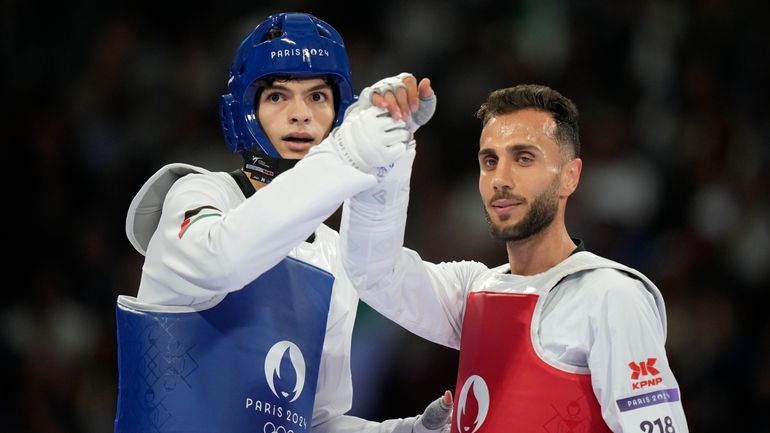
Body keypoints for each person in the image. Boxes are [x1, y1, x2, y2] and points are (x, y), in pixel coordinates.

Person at [113, 12, 452, 433]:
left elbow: (315, 420)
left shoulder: (334, 257)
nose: (300, 115)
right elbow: (224, 260)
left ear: (339, 113)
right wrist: (346, 157)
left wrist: (408, 431)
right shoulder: (198, 196)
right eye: (277, 96)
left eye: (317, 97)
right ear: (245, 111)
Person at [340, 84, 689, 432]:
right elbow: (374, 272)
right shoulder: (474, 291)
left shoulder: (610, 295)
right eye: (490, 161)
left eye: (524, 158)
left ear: (570, 176)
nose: (500, 179)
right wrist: (383, 151)